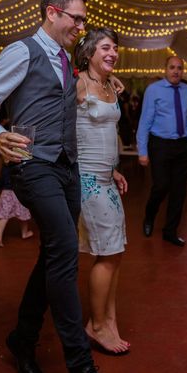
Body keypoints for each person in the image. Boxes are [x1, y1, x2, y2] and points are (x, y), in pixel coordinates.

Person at [0, 0, 99, 373]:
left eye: (84, 20)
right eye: (77, 18)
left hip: (66, 166)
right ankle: (81, 363)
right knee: (65, 252)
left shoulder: (65, 58)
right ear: (52, 13)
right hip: (31, 163)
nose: (81, 26)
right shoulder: (22, 51)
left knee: (54, 255)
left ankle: (23, 338)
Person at [74, 28, 130, 355]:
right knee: (106, 253)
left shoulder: (110, 84)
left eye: (115, 48)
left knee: (116, 251)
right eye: (106, 48)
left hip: (108, 179)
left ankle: (109, 320)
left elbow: (108, 132)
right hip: (89, 180)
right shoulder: (79, 84)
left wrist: (115, 168)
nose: (112, 53)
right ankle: (95, 325)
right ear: (90, 52)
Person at [137, 56, 187, 247]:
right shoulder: (154, 90)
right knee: (161, 185)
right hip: (160, 144)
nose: (176, 71)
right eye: (172, 67)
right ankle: (149, 216)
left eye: (179, 68)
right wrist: (142, 151)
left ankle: (170, 232)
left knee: (179, 191)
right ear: (165, 69)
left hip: (182, 145)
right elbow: (144, 122)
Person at [0, 166, 34, 247]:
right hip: (19, 193)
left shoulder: (5, 168)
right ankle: (24, 233)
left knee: (4, 216)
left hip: (6, 193)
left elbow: (1, 181)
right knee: (24, 215)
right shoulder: (24, 167)